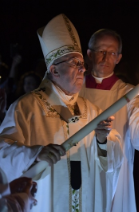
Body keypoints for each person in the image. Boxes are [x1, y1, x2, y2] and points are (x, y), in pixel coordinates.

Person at [0, 14, 119, 212]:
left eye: (83, 64)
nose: (82, 70)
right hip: (44, 203)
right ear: (54, 70)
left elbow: (112, 162)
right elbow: (3, 152)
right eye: (75, 63)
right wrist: (35, 154)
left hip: (86, 202)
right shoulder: (26, 107)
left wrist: (102, 140)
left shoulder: (91, 110)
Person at [79, 29, 139, 212]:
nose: (105, 58)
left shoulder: (128, 93)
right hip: (79, 165)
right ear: (89, 54)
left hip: (115, 171)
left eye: (112, 53)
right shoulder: (73, 88)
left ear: (118, 58)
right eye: (100, 51)